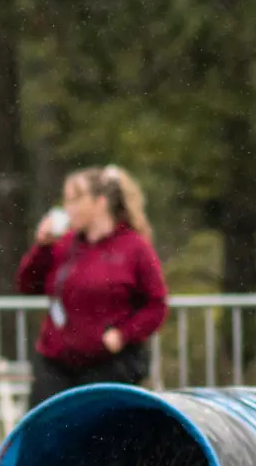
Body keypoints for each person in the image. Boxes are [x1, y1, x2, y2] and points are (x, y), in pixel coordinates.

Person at [17, 164, 169, 409]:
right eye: (66, 201)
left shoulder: (134, 248)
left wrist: (123, 335)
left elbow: (156, 305)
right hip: (56, 362)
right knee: (43, 429)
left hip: (108, 363)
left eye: (75, 200)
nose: (68, 209)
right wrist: (42, 246)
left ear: (99, 203)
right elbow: (27, 284)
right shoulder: (64, 245)